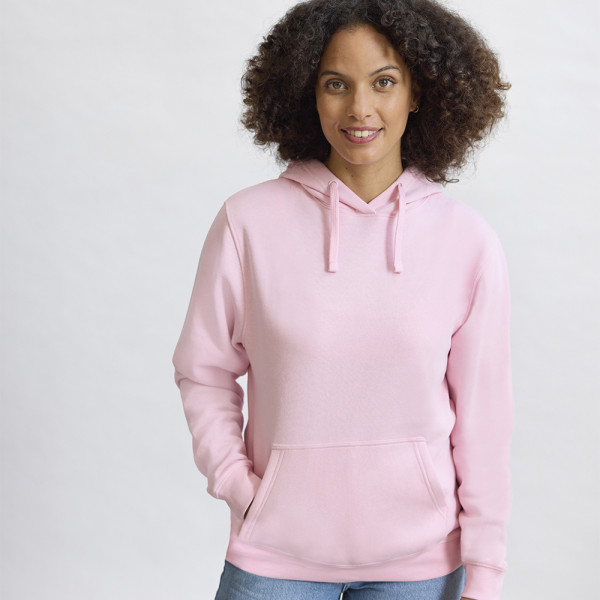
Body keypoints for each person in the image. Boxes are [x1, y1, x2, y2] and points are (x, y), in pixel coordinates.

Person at [172, 1, 514, 599]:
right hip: (273, 557)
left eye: (384, 82)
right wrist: (237, 484)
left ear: (417, 92)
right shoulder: (247, 223)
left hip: (421, 566)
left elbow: (484, 421)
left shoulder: (467, 241)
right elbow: (203, 371)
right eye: (336, 84)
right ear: (308, 92)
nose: (360, 108)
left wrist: (484, 572)